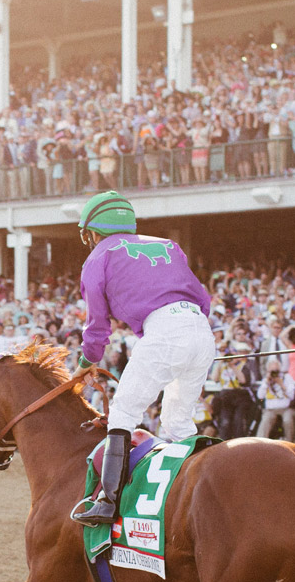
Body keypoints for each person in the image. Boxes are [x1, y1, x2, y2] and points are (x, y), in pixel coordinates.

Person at [71, 191, 214, 525]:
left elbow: (97, 327)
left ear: (93, 231)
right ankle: (199, 495)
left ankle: (107, 501)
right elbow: (202, 299)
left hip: (163, 334)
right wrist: (192, 339)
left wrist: (85, 363)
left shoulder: (97, 257)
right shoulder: (168, 245)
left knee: (123, 411)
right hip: (200, 329)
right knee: (178, 423)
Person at [255, 364, 295, 439]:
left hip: (285, 409)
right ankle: (260, 443)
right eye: (272, 371)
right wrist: (266, 383)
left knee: (288, 420)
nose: (274, 374)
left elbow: (292, 396)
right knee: (266, 420)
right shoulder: (266, 380)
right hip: (270, 410)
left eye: (276, 371)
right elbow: (260, 396)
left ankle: (290, 443)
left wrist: (281, 384)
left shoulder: (286, 378)